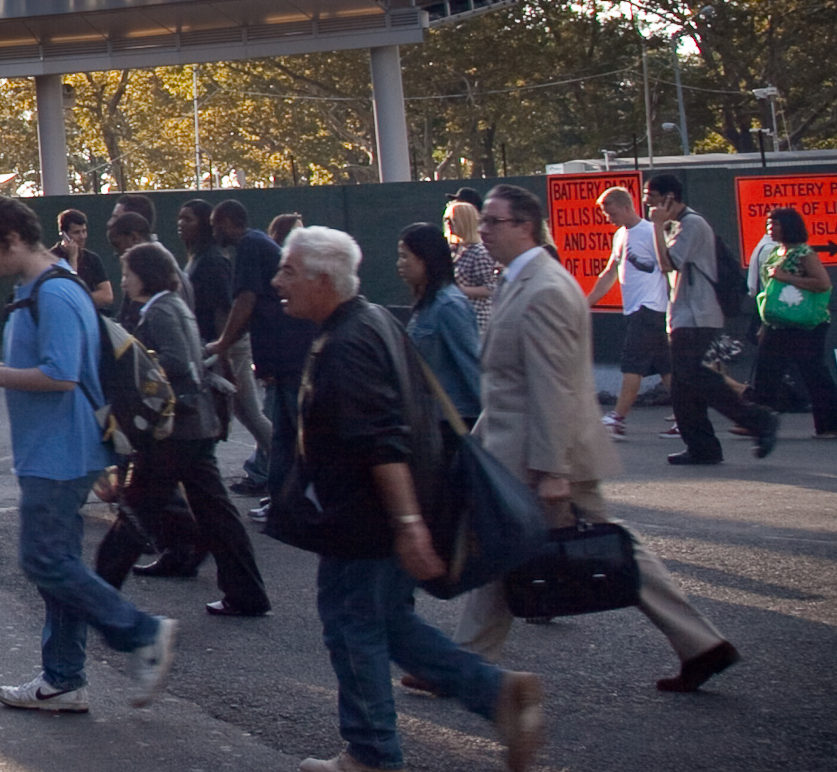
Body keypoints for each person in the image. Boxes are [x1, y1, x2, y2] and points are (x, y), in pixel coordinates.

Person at [266, 225, 542, 772]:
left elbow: (381, 441)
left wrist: (409, 523)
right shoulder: (373, 320)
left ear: (322, 280)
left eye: (288, 271)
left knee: (352, 627)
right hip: (377, 515)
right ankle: (495, 693)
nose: (279, 281)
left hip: (364, 520)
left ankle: (372, 754)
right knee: (386, 621)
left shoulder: (346, 343)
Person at [449, 187, 737, 696]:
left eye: (494, 221)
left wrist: (554, 468)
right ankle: (702, 644)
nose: (485, 229)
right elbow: (511, 383)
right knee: (558, 545)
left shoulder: (545, 289)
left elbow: (555, 385)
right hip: (528, 449)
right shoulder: (518, 281)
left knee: (523, 545)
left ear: (525, 226)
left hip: (547, 454)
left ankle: (461, 666)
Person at [0, 195, 175, 715]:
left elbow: (62, 375)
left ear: (11, 240)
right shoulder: (45, 286)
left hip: (58, 451)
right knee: (61, 564)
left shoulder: (54, 292)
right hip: (60, 449)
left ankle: (142, 634)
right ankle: (63, 678)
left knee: (44, 560)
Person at [94, 242, 269, 618]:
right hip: (196, 424)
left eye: (128, 274)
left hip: (174, 429)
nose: (124, 282)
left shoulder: (158, 311)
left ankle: (99, 595)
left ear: (145, 275)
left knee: (136, 509)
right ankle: (246, 591)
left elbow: (176, 361)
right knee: (216, 512)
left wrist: (138, 365)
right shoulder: (173, 305)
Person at [648, 172, 779, 465]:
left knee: (696, 375)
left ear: (669, 197)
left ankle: (758, 419)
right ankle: (702, 446)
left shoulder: (691, 225)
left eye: (652, 197)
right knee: (683, 388)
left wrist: (656, 228)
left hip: (697, 315)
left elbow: (667, 262)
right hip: (684, 315)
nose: (648, 204)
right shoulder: (680, 225)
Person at [208, 199, 302, 503]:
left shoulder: (249, 245)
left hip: (283, 351)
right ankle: (282, 491)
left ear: (226, 221)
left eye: (214, 225)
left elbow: (245, 300)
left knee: (281, 425)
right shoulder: (258, 242)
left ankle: (288, 493)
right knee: (277, 422)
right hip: (283, 349)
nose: (213, 232)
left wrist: (223, 342)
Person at [584, 186, 666, 440]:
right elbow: (609, 273)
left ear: (626, 206)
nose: (608, 217)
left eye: (610, 212)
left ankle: (617, 418)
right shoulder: (620, 235)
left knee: (632, 364)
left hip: (650, 308)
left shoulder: (650, 232)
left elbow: (668, 264)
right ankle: (686, 417)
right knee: (667, 366)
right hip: (638, 310)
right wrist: (585, 303)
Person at [178, 200, 260, 457]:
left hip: (225, 345)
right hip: (211, 345)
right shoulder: (196, 258)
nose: (181, 224)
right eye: (179, 218)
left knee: (250, 414)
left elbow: (226, 308)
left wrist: (223, 353)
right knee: (244, 414)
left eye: (188, 219)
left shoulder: (213, 260)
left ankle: (289, 473)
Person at [749, 205, 836, 435]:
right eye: (769, 224)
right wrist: (763, 324)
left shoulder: (804, 253)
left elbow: (823, 284)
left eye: (775, 224)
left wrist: (787, 277)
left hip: (806, 323)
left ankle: (830, 424)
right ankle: (758, 422)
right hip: (777, 321)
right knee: (767, 371)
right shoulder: (775, 253)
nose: (770, 229)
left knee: (813, 372)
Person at [396, 224, 481, 423]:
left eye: (405, 256)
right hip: (431, 419)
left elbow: (473, 365)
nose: (399, 264)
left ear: (425, 259)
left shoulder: (448, 305)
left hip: (456, 420)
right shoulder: (428, 304)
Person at [443, 200, 501, 342]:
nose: (449, 224)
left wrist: (459, 290)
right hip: (456, 319)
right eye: (446, 220)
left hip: (476, 322)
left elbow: (490, 288)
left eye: (453, 220)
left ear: (464, 222)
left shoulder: (480, 252)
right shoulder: (453, 250)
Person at [58, 208, 114, 311]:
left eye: (84, 231)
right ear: (64, 235)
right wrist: (73, 259)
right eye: (76, 232)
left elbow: (107, 295)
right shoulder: (52, 258)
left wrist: (79, 298)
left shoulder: (92, 259)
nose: (82, 236)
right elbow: (68, 291)